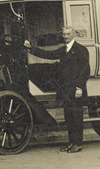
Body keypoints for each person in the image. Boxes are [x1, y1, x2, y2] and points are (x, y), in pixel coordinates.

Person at [24, 24, 90, 153]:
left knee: (76, 117)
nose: (66, 37)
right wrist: (30, 48)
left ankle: (78, 144)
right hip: (65, 90)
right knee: (69, 118)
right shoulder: (62, 50)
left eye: (68, 34)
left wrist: (79, 88)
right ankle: (71, 143)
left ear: (73, 35)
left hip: (75, 90)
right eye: (64, 34)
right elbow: (48, 54)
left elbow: (85, 70)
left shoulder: (81, 50)